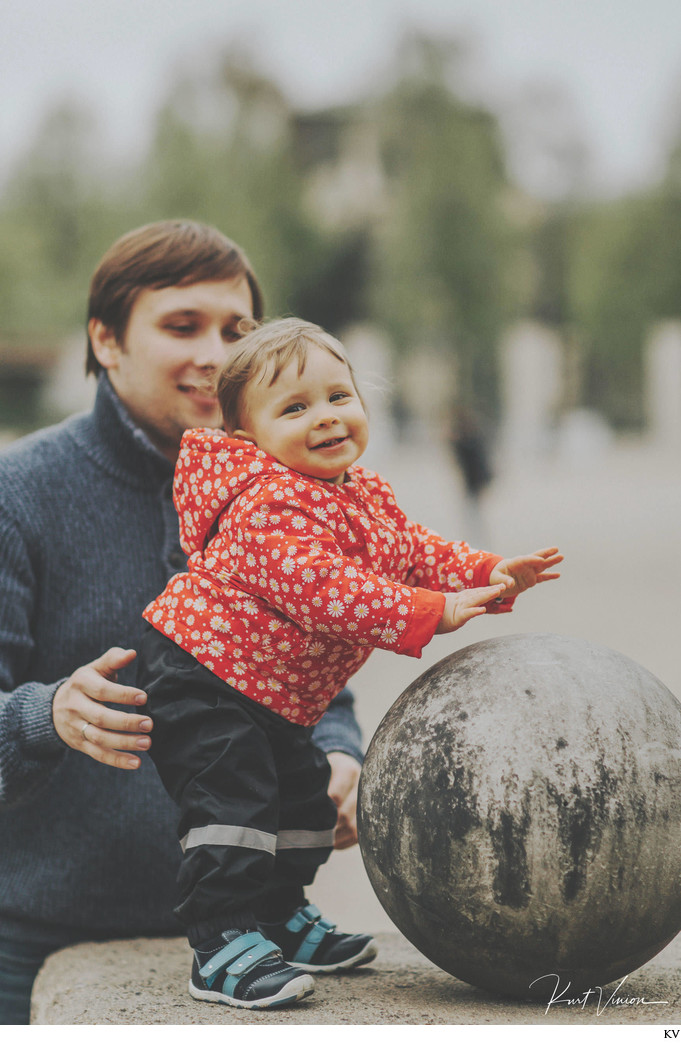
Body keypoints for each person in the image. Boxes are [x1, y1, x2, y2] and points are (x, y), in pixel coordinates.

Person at [137, 317, 563, 1011]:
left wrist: (487, 569)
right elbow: (324, 589)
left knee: (302, 800)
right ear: (249, 438)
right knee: (232, 804)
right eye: (295, 408)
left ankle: (278, 915)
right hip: (201, 675)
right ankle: (219, 943)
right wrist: (427, 610)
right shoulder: (264, 503)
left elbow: (410, 549)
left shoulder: (359, 491)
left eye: (338, 395)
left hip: (271, 690)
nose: (326, 418)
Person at [0, 222, 364, 1025]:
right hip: (35, 951)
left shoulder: (299, 486)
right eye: (181, 326)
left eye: (237, 330)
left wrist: (339, 747)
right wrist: (46, 714)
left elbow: (315, 660)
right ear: (106, 339)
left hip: (254, 954)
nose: (216, 353)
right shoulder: (17, 495)